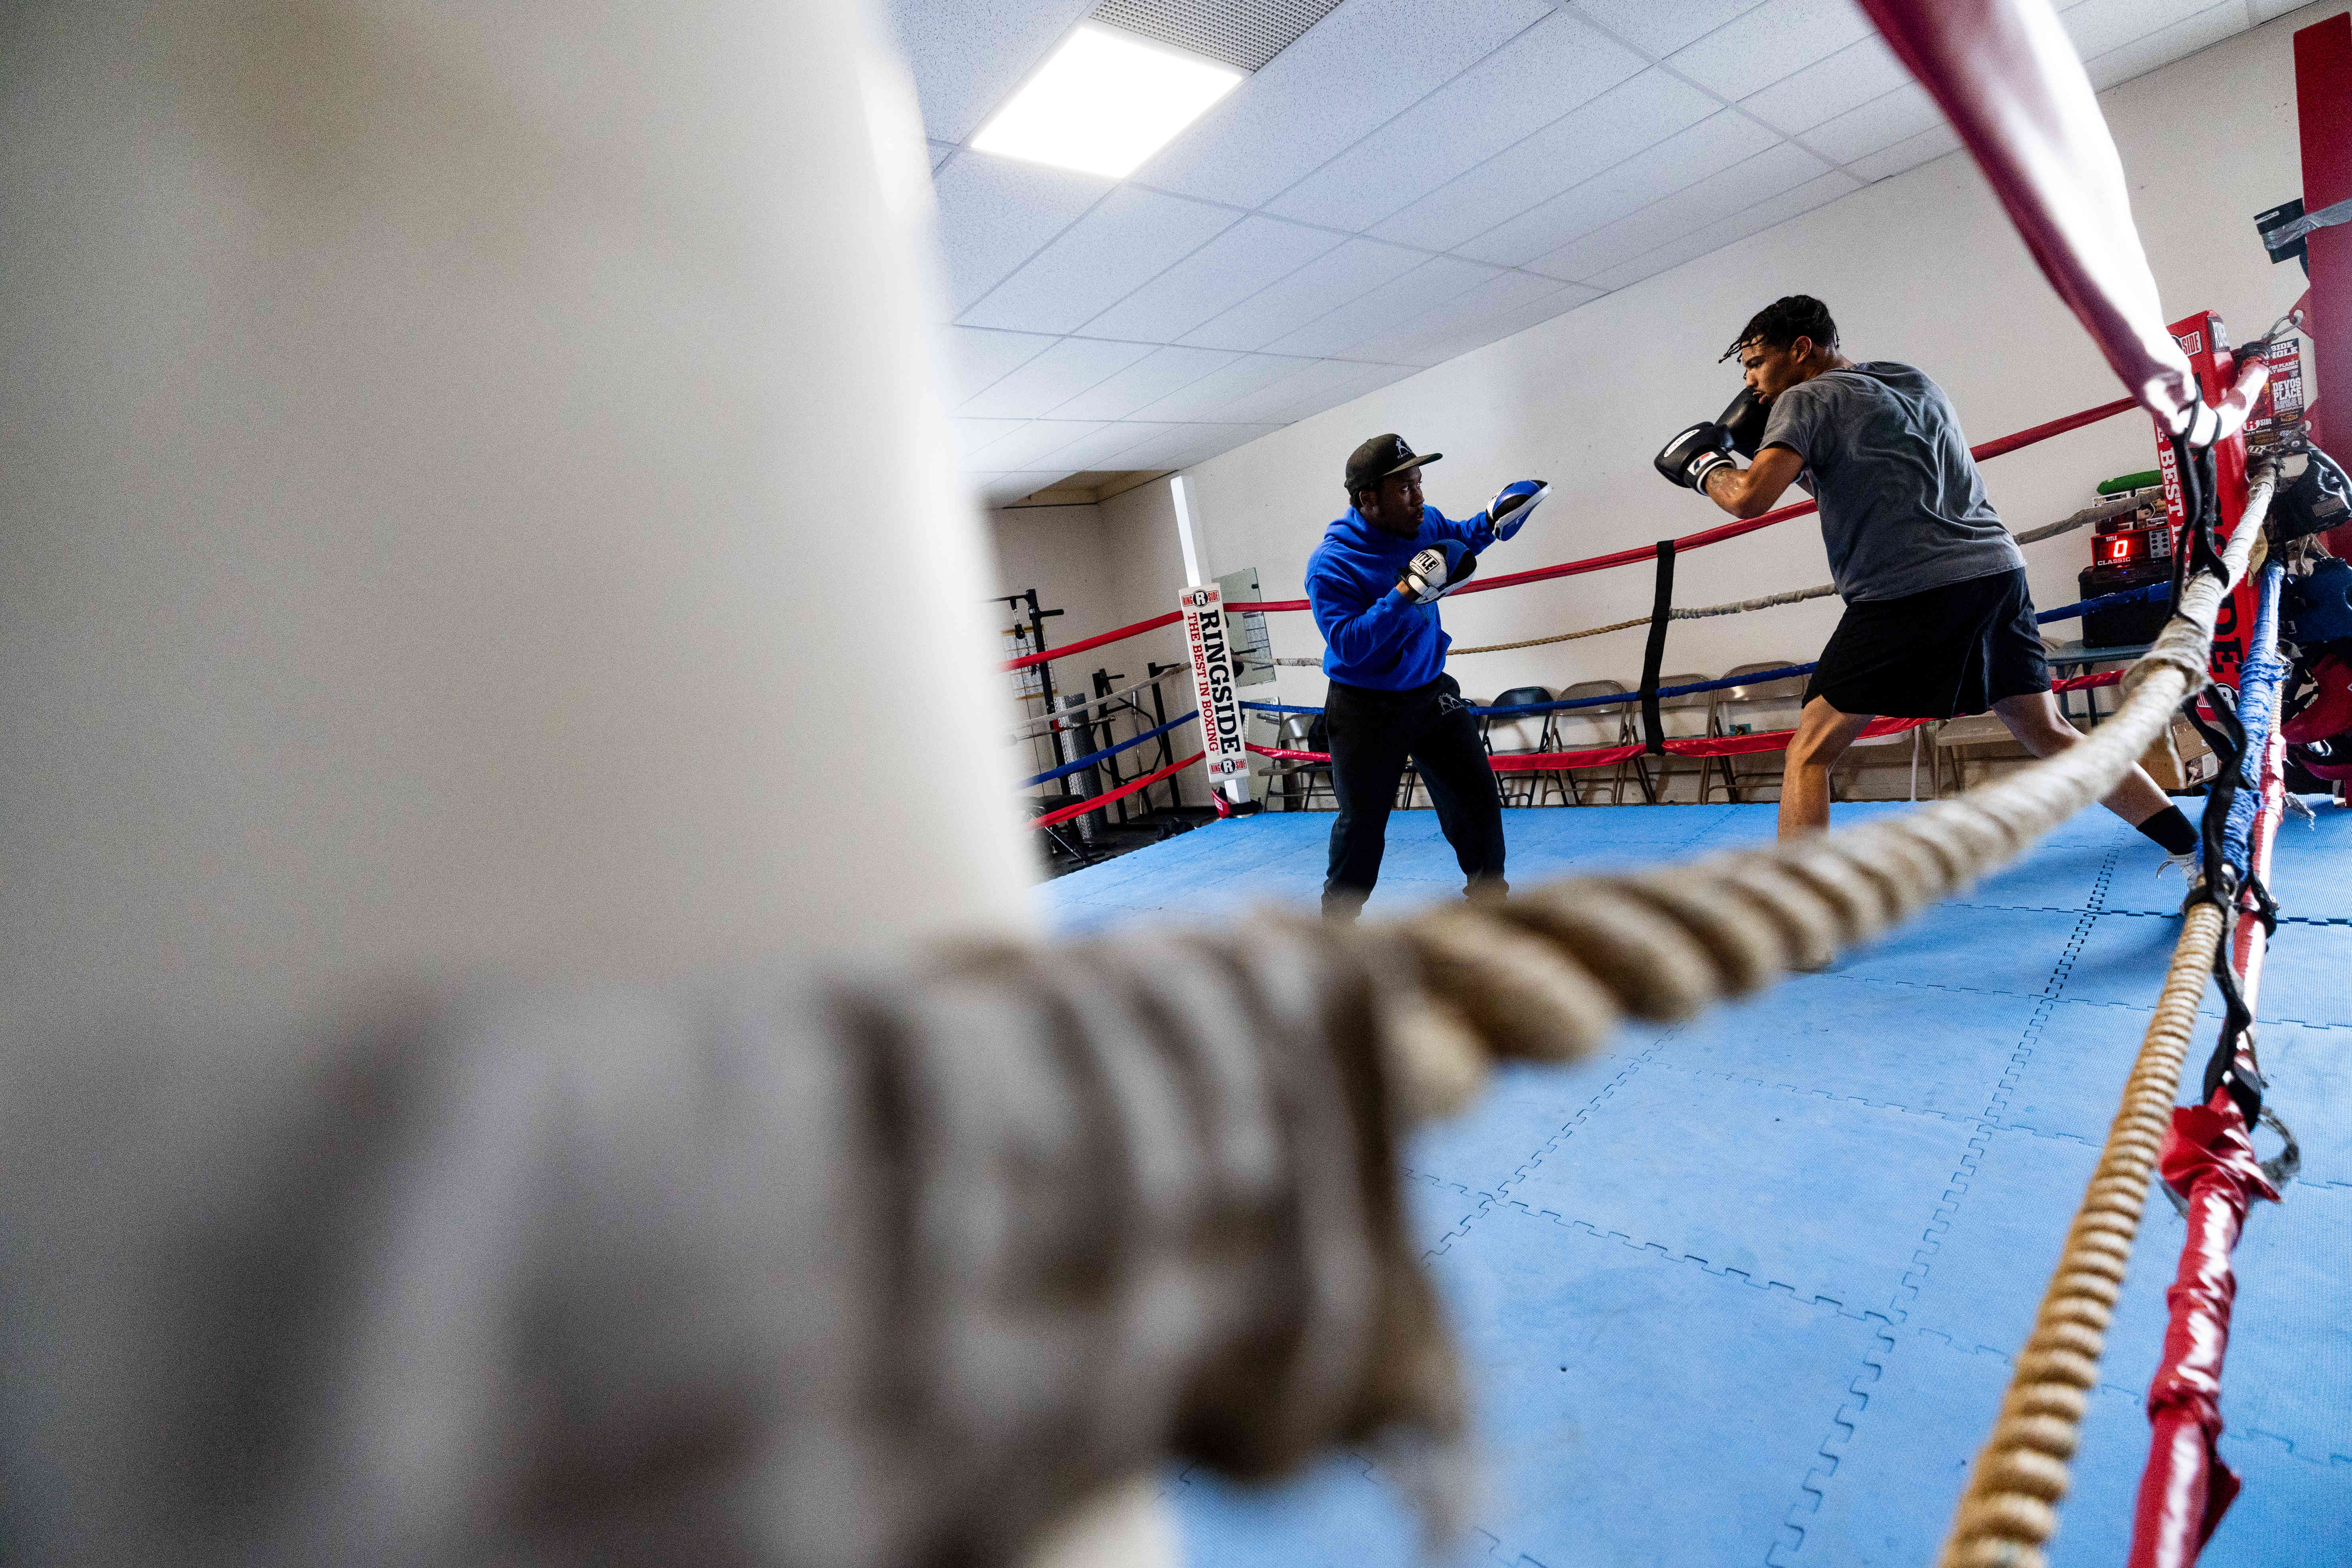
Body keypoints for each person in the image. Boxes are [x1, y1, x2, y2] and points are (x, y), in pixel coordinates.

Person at [1655, 295, 2201, 862]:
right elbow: (1868, 480)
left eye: (1755, 363)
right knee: (2050, 731)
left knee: (1809, 750)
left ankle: (1797, 919)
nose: (1749, 383)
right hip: (1996, 571)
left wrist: (1706, 467)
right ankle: (2192, 850)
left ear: (1800, 350)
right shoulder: (1910, 380)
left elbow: (1748, 498)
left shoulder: (1805, 397)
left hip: (1912, 589)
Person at [1306, 435, 1548, 918]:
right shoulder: (1331, 564)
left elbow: (1455, 538)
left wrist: (1493, 520)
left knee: (1476, 801)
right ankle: (1336, 930)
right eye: (1404, 488)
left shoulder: (1425, 521)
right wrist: (1405, 591)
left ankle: (1489, 910)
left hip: (1430, 691)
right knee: (1363, 826)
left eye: (1419, 483)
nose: (1419, 497)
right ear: (1368, 499)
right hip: (1365, 706)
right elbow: (1348, 644)